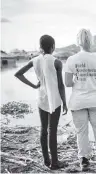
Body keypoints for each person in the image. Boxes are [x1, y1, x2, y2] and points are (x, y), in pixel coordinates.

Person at [14, 35, 68, 170]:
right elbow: (61, 85)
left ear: (40, 47)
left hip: (41, 98)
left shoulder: (34, 60)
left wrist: (33, 86)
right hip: (54, 99)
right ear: (53, 47)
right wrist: (65, 102)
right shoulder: (57, 62)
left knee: (44, 130)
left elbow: (18, 74)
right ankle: (55, 163)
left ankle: (46, 161)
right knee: (52, 130)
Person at [64, 29, 96, 172]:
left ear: (77, 41)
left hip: (78, 102)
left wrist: (78, 79)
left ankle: (84, 161)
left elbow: (67, 83)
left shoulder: (71, 59)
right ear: (90, 41)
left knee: (81, 132)